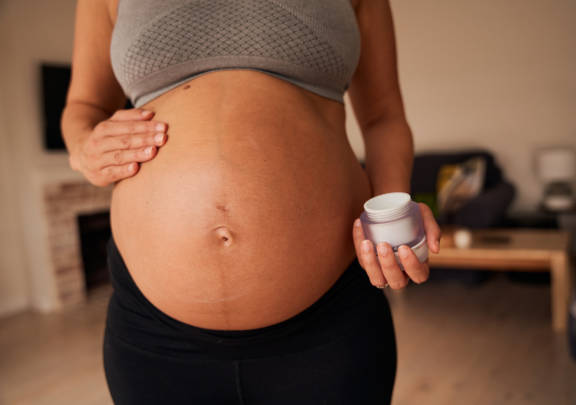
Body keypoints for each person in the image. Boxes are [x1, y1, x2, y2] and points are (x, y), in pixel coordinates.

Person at [61, 0, 441, 403]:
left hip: (330, 321)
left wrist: (393, 207)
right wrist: (84, 147)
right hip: (155, 335)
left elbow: (383, 116)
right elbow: (82, 108)